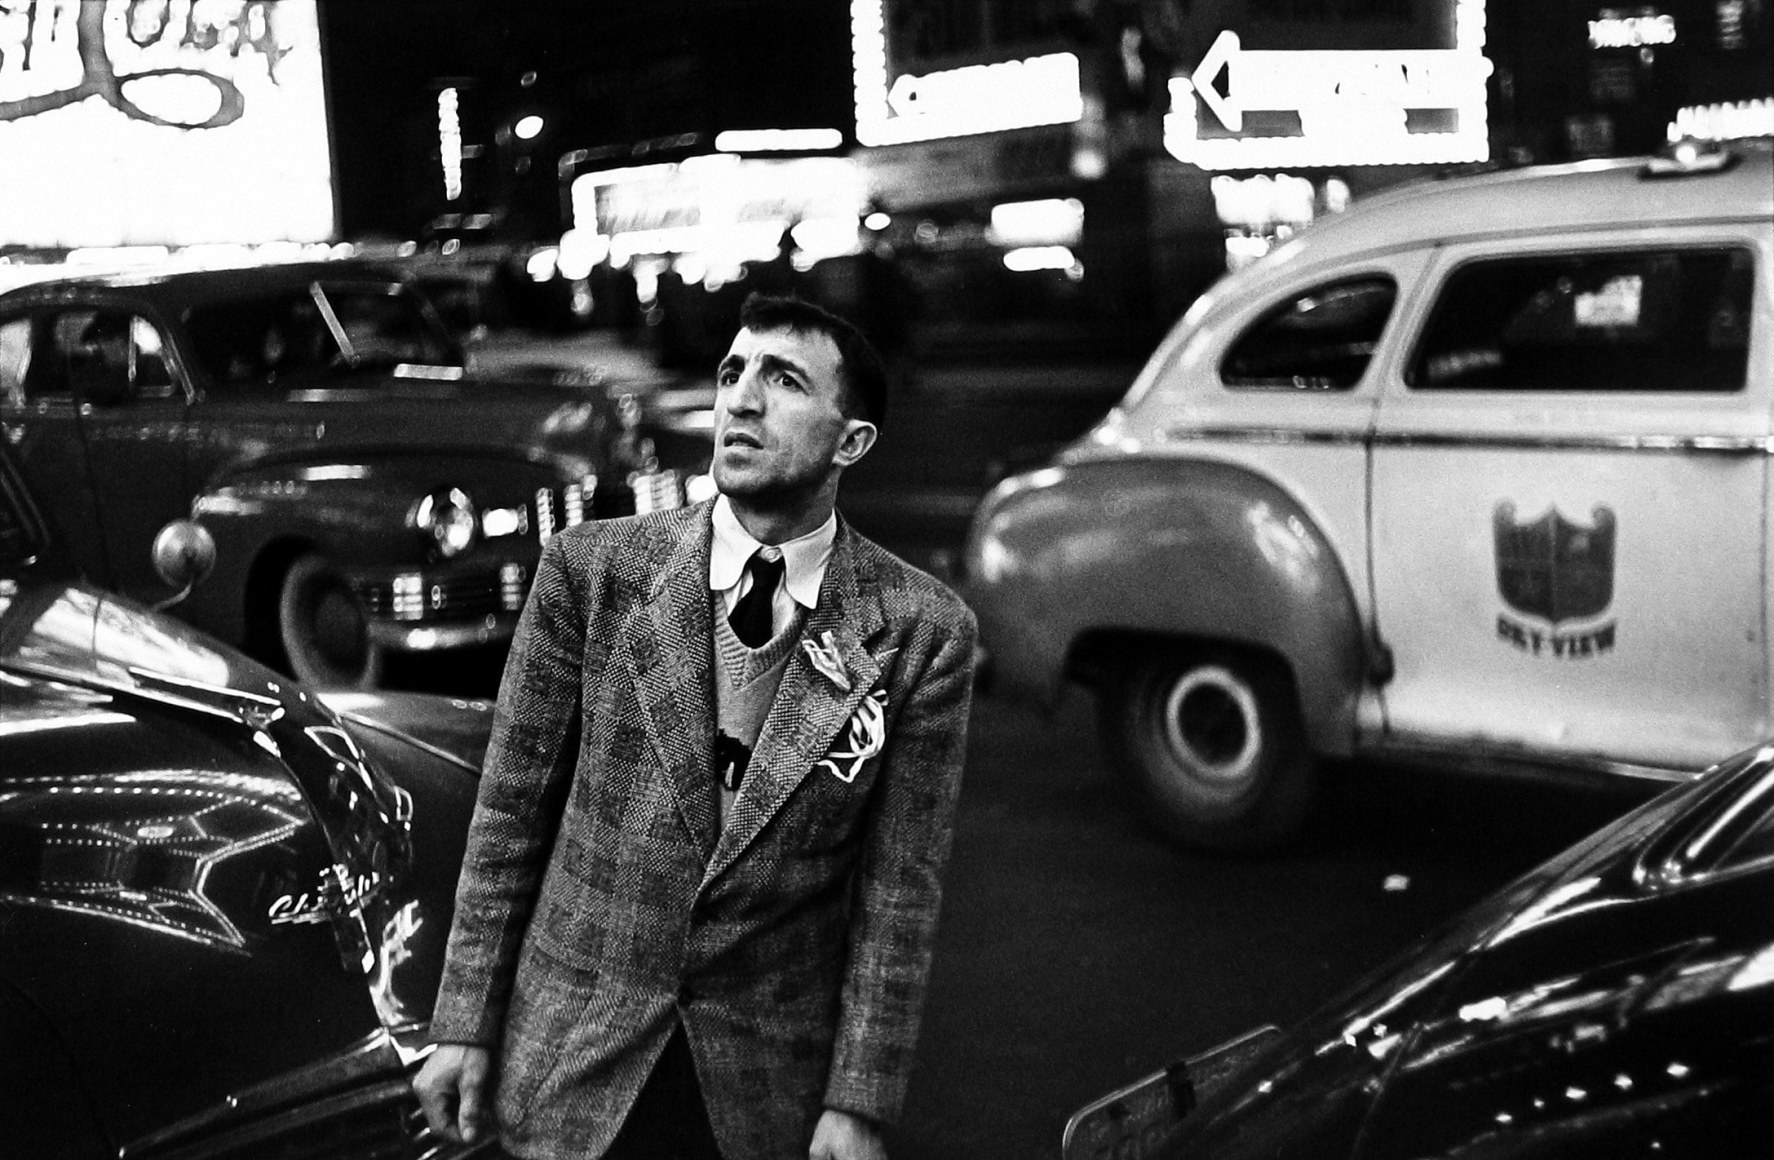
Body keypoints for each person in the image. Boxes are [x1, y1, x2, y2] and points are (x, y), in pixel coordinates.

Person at [414, 292, 978, 1160]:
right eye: (732, 372)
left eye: (784, 380)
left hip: (761, 1090)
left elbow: (900, 889)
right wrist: (464, 1023)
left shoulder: (918, 631)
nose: (742, 400)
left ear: (851, 442)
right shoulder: (593, 571)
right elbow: (509, 815)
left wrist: (859, 1101)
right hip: (576, 1056)